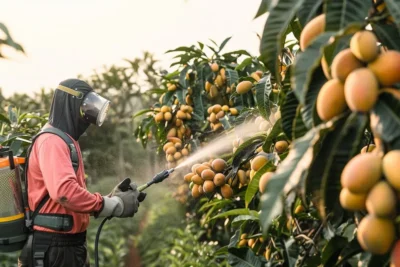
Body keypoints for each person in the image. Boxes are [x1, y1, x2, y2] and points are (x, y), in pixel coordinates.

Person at [18, 78, 144, 267]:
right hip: (54, 248)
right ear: (70, 105)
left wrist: (110, 198)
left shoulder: (66, 140)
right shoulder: (52, 142)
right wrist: (112, 205)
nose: (88, 114)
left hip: (68, 246)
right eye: (85, 106)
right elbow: (64, 193)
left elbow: (67, 198)